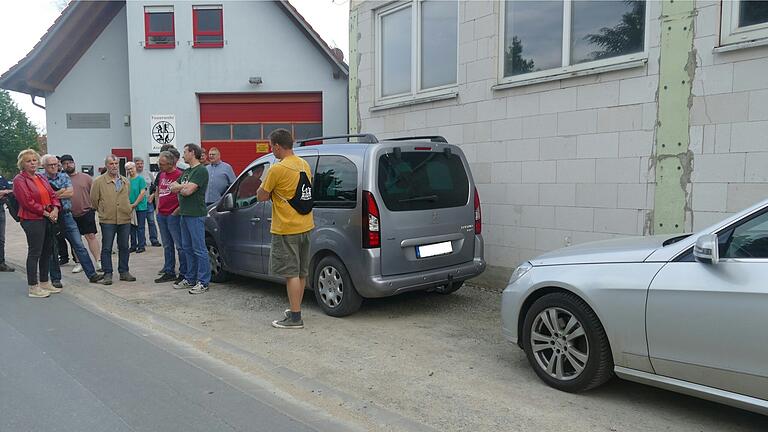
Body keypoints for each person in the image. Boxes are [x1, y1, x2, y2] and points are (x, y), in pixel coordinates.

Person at [257, 129, 314, 329]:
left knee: (290, 273)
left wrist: (264, 182)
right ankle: (295, 307)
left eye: (271, 146)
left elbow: (261, 196)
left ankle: (295, 317)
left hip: (286, 227)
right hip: (305, 225)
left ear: (277, 146)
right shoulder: (304, 164)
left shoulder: (277, 169)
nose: (272, 149)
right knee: (301, 272)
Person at [41, 154, 103, 288]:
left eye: (55, 164)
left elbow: (70, 193)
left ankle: (92, 274)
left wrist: (54, 194)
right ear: (44, 166)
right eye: (50, 165)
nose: (54, 167)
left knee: (79, 245)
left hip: (67, 215)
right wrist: (60, 192)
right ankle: (56, 279)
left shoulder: (63, 176)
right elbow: (44, 198)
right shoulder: (41, 179)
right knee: (53, 249)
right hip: (50, 217)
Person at [13, 149, 61, 298]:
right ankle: (33, 286)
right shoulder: (19, 180)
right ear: (22, 164)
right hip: (32, 219)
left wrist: (55, 210)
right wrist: (46, 213)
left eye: (34, 160)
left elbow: (53, 195)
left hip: (47, 217)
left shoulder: (41, 177)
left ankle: (45, 282)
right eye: (28, 161)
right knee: (35, 252)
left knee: (47, 251)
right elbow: (27, 202)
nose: (32, 163)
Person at [170, 143, 210, 294]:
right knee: (187, 247)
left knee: (199, 248)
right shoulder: (186, 172)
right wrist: (182, 187)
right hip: (184, 214)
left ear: (192, 153)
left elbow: (188, 191)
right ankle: (190, 278)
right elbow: (173, 187)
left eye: (185, 152)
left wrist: (182, 188)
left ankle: (203, 281)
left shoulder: (201, 171)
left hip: (195, 214)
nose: (183, 155)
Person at [91, 154, 136, 285]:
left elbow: (127, 196)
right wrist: (103, 210)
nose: (114, 166)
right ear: (106, 165)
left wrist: (126, 208)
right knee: (107, 247)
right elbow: (94, 200)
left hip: (124, 218)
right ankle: (108, 273)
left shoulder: (125, 181)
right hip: (108, 219)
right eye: (111, 164)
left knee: (124, 246)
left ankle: (124, 271)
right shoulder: (98, 181)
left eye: (116, 163)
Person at [61, 154, 102, 274]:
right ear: (62, 165)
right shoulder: (62, 179)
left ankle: (98, 261)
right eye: (65, 163)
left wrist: (94, 207)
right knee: (75, 240)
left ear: (74, 163)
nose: (68, 165)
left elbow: (94, 193)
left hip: (86, 211)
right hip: (69, 214)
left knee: (91, 236)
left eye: (70, 162)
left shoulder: (86, 178)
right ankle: (79, 262)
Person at [153, 150, 186, 283]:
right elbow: (159, 191)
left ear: (171, 163)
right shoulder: (162, 174)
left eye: (162, 164)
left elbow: (184, 196)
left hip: (174, 215)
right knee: (167, 245)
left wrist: (176, 212)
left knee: (180, 245)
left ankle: (184, 272)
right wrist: (157, 209)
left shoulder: (179, 175)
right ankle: (169, 270)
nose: (160, 167)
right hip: (162, 214)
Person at [134, 156, 161, 247]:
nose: (140, 165)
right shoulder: (132, 174)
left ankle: (154, 239)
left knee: (151, 221)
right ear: (134, 164)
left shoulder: (148, 174)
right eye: (138, 164)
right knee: (140, 224)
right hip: (138, 203)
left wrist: (153, 196)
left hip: (148, 202)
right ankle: (142, 242)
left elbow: (155, 186)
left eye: (141, 163)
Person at [126, 162, 148, 253]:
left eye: (131, 168)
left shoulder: (140, 179)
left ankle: (141, 245)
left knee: (140, 227)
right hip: (130, 207)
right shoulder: (126, 180)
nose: (130, 170)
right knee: (131, 227)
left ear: (135, 168)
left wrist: (135, 203)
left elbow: (142, 193)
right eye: (128, 169)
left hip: (140, 207)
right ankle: (133, 245)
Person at [0, 173, 14, 272]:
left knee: (1, 238)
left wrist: (4, 191)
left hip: (0, 209)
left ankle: (1, 263)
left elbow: (11, 190)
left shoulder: (1, 177)